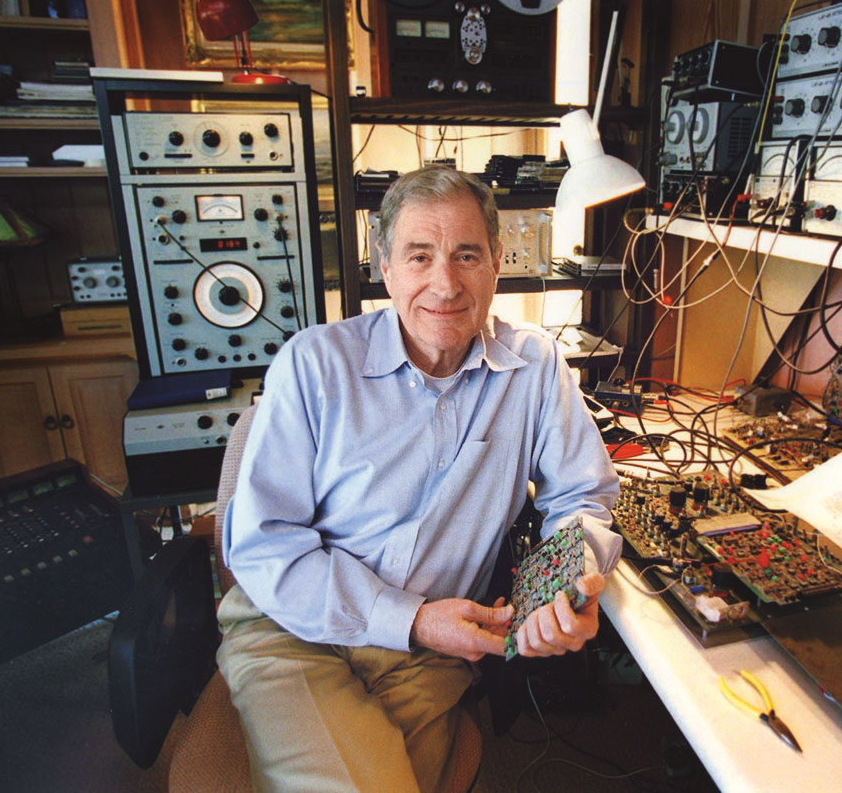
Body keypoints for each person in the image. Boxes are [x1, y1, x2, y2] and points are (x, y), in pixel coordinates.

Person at [216, 166, 622, 793]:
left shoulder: (536, 368)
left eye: (467, 255)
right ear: (385, 265)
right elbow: (265, 545)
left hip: (430, 654)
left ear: (496, 264)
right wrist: (412, 618)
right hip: (293, 629)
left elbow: (583, 496)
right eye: (420, 255)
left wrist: (561, 586)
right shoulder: (314, 363)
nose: (445, 283)